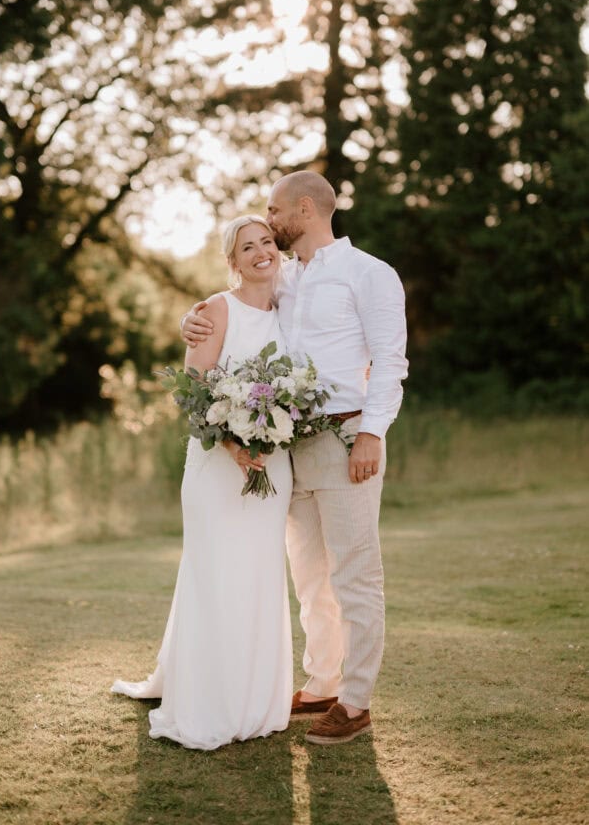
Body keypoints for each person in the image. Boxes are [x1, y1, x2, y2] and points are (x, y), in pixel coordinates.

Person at [182, 171, 408, 745]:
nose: (268, 220)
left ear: (303, 210)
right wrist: (194, 317)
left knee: (356, 573)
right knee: (311, 579)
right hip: (288, 447)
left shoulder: (369, 274)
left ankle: (356, 704)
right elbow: (239, 313)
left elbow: (390, 360)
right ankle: (323, 683)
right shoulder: (287, 280)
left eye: (273, 211)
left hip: (346, 438)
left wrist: (372, 434)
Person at [111, 216, 293, 750]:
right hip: (217, 465)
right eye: (247, 247)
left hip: (273, 464)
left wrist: (267, 440)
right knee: (213, 573)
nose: (260, 253)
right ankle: (207, 697)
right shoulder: (214, 310)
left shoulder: (292, 309)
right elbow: (191, 395)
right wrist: (236, 446)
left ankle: (255, 698)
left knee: (259, 574)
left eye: (266, 243)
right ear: (232, 262)